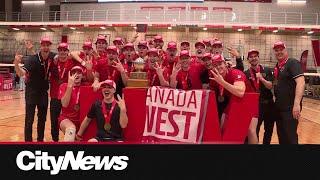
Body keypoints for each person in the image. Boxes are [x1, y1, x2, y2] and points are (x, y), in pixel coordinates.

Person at [14, 36, 56, 142]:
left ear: (50, 46)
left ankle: (40, 141)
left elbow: (67, 55)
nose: (46, 47)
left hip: (43, 93)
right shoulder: (32, 59)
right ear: (41, 46)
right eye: (44, 45)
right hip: (31, 92)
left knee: (42, 120)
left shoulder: (52, 57)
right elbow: (21, 73)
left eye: (48, 45)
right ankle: (28, 142)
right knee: (29, 120)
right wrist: (16, 63)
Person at [209, 54, 258, 144]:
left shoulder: (235, 73)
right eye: (215, 65)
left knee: (251, 131)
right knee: (222, 126)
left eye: (220, 64)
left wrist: (222, 82)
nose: (218, 67)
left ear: (225, 64)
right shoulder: (214, 77)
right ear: (212, 67)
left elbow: (240, 92)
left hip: (249, 101)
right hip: (234, 101)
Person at [272, 41, 305, 144]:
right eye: (276, 50)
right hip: (279, 109)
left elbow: (301, 82)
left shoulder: (292, 63)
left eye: (281, 49)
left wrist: (296, 104)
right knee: (282, 137)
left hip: (290, 109)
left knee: (290, 137)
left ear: (286, 50)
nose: (279, 52)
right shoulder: (277, 66)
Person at [244, 49, 276, 144]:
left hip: (269, 105)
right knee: (255, 130)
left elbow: (270, 86)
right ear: (248, 59)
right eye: (251, 57)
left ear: (258, 58)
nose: (253, 58)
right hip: (255, 106)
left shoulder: (266, 70)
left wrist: (262, 79)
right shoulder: (246, 73)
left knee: (269, 130)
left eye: (255, 56)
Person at [49, 42, 75, 142]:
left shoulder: (72, 62)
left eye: (65, 50)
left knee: (68, 120)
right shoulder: (53, 62)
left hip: (67, 97)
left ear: (68, 52)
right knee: (54, 121)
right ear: (58, 51)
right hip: (55, 97)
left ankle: (68, 139)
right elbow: (42, 59)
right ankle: (55, 141)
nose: (62, 52)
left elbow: (81, 53)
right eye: (60, 50)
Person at [58, 66, 84, 142]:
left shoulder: (86, 86)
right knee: (71, 129)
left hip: (81, 122)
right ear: (70, 75)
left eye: (79, 73)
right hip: (66, 119)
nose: (77, 74)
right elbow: (64, 104)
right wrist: (70, 86)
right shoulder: (64, 86)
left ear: (82, 75)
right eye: (74, 73)